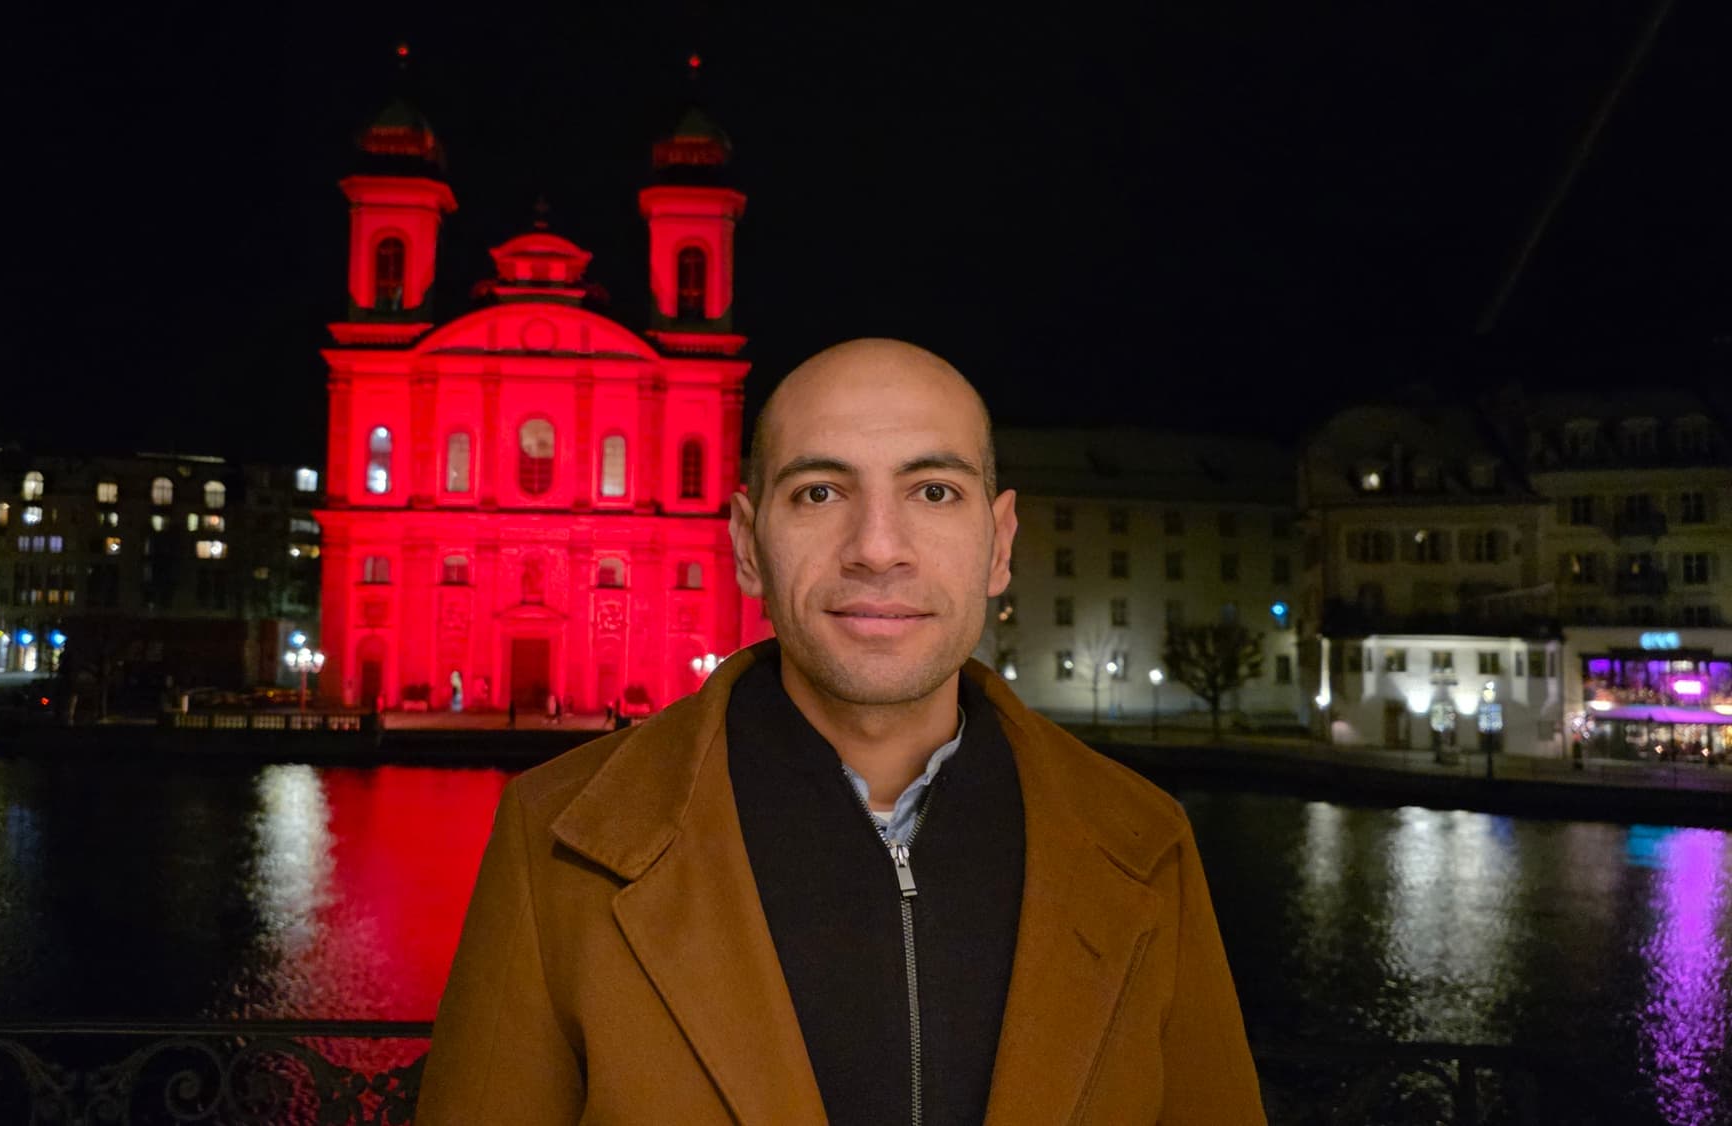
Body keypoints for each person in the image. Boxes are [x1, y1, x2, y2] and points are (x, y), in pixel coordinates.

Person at [417, 339, 1263, 1125]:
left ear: (999, 544)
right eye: (819, 492)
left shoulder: (1147, 840)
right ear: (748, 546)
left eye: (933, 491)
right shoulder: (555, 838)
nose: (877, 548)